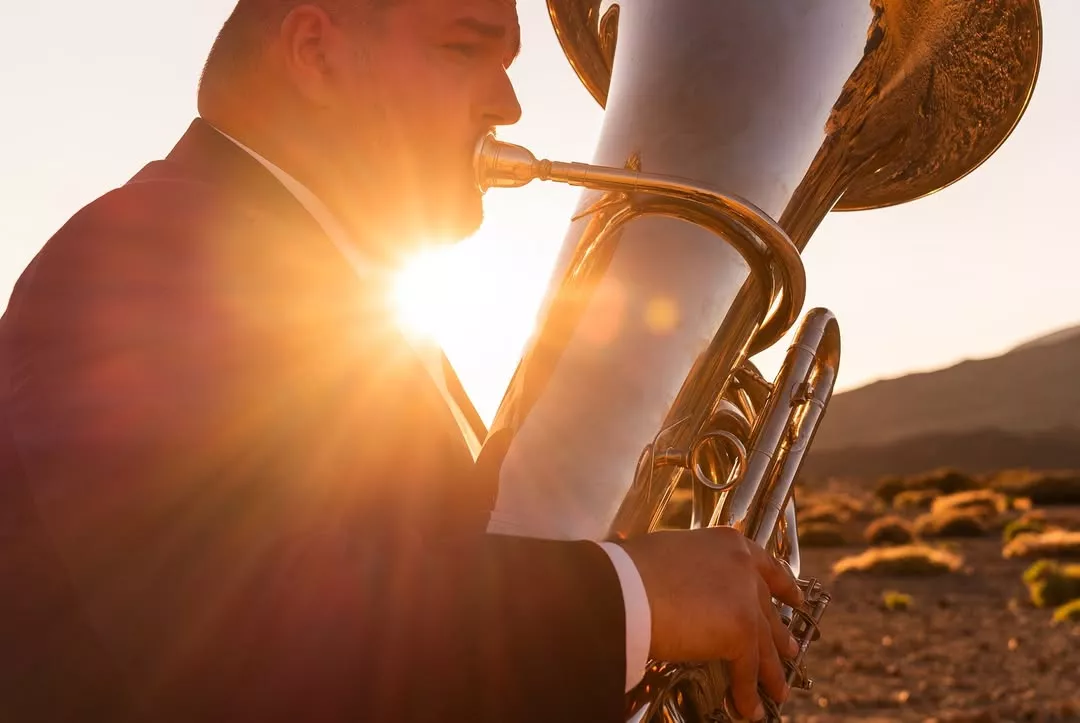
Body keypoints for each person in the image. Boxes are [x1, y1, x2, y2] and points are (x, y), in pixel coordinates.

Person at [0, 1, 805, 722]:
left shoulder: (355, 311)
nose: (510, 104)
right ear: (317, 51)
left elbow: (416, 573)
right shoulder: (136, 257)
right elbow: (242, 638)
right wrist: (634, 597)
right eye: (465, 48)